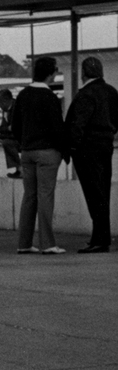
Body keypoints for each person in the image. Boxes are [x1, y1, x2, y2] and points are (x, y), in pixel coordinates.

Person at [12, 56, 70, 255]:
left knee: (29, 196)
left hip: (27, 152)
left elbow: (15, 125)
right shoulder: (50, 97)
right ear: (50, 74)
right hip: (47, 153)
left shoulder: (23, 95)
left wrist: (24, 143)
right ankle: (48, 243)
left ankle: (24, 243)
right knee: (45, 196)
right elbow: (57, 127)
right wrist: (64, 152)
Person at [65, 56, 118, 253]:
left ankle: (100, 239)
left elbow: (78, 124)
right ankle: (100, 237)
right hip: (105, 146)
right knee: (102, 191)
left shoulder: (85, 94)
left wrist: (72, 147)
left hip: (87, 149)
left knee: (93, 194)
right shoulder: (111, 91)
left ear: (83, 73)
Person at [0, 89, 19, 178]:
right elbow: (2, 128)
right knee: (6, 141)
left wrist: (10, 128)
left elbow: (17, 129)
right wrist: (9, 128)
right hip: (14, 136)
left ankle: (20, 169)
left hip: (23, 138)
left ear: (5, 101)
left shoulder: (18, 107)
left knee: (7, 142)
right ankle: (18, 168)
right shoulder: (6, 110)